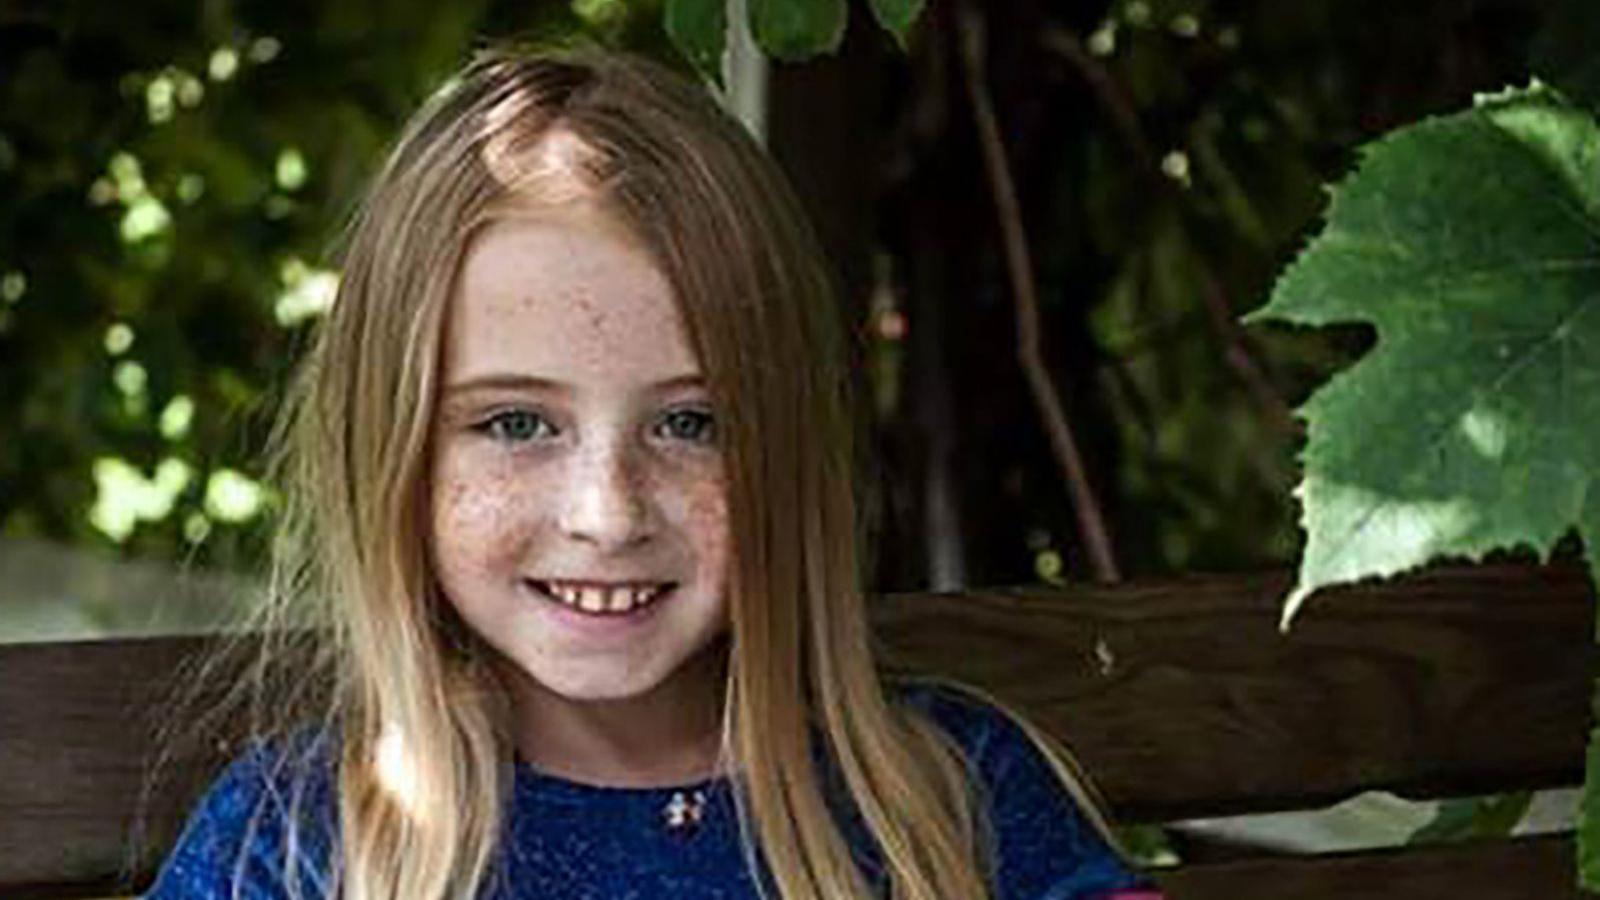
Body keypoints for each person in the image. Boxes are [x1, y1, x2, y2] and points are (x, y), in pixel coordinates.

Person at [144, 45, 1162, 900]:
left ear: (788, 449)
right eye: (513, 422)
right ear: (394, 448)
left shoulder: (938, 800)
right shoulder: (298, 843)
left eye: (689, 422)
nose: (606, 512)